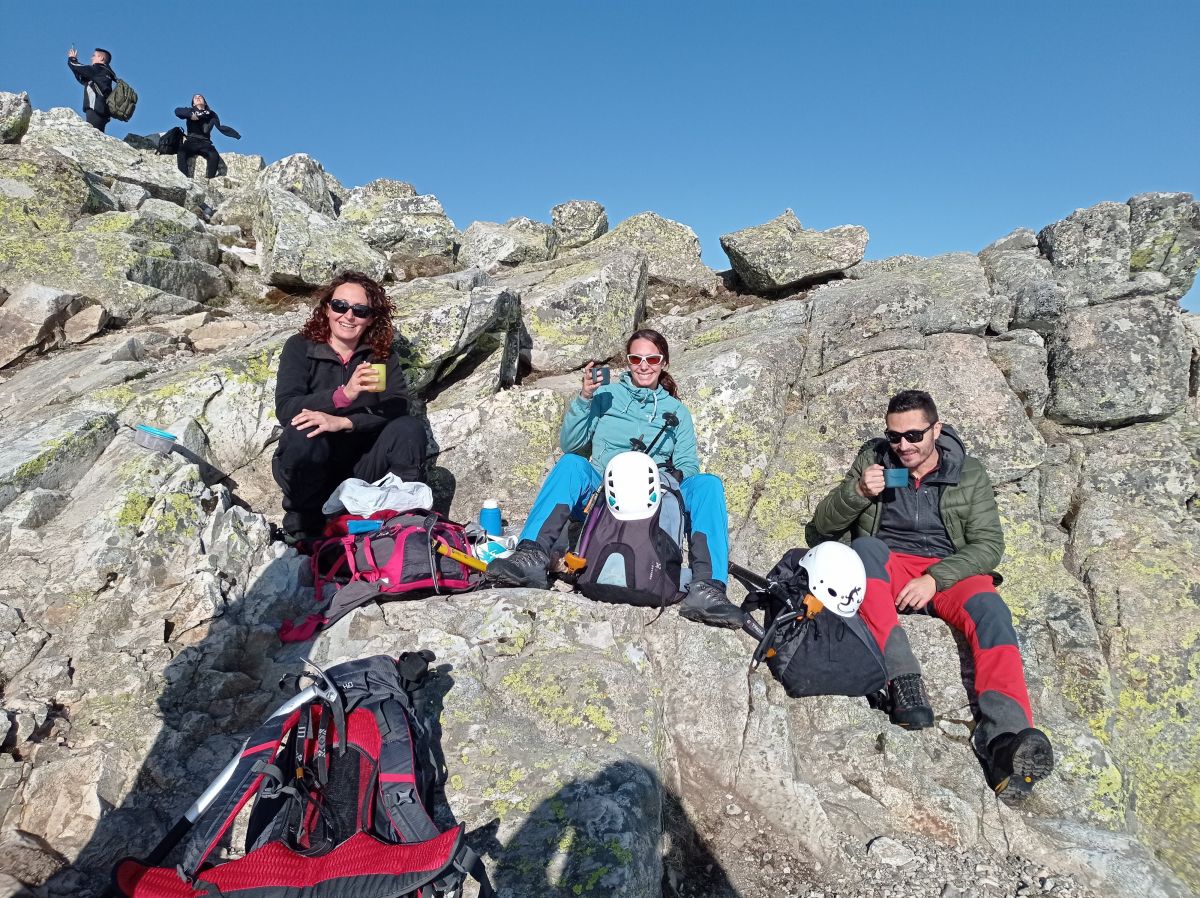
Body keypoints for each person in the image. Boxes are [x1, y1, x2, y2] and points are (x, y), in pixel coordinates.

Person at [808, 390, 1054, 802]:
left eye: (914, 435)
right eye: (894, 436)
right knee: (863, 551)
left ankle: (1005, 743)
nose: (903, 445)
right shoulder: (875, 460)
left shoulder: (967, 472)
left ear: (936, 430)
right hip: (889, 562)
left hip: (948, 570)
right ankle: (903, 682)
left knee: (992, 612)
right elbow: (824, 526)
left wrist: (935, 580)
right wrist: (858, 492)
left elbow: (988, 545)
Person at [486, 329, 745, 628]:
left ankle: (708, 589)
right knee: (571, 464)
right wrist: (585, 397)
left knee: (708, 485)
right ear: (628, 361)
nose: (644, 366)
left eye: (652, 359)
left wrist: (663, 478)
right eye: (636, 359)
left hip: (655, 491)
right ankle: (531, 555)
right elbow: (572, 444)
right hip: (602, 488)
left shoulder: (678, 412)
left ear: (664, 363)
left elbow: (688, 464)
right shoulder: (605, 396)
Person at [272, 271, 428, 540]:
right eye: (340, 306)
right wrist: (342, 396)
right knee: (303, 429)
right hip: (314, 465)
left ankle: (402, 518)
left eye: (360, 310)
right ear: (327, 308)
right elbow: (286, 408)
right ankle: (304, 529)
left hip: (364, 467)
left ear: (371, 318)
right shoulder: (301, 347)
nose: (348, 316)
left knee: (408, 428)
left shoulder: (379, 354)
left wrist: (345, 422)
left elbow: (397, 406)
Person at [174, 94, 241, 179]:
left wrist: (236, 135)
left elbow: (220, 127)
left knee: (214, 156)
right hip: (191, 141)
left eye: (200, 97)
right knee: (181, 153)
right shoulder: (190, 111)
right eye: (195, 98)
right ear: (193, 104)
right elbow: (177, 111)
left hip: (205, 143)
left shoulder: (211, 114)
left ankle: (209, 180)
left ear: (205, 103)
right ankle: (184, 179)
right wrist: (191, 115)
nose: (198, 98)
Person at [66, 46, 116, 132]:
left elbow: (77, 67)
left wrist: (72, 58)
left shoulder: (98, 69)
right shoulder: (106, 72)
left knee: (92, 133)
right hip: (103, 111)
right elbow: (82, 77)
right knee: (98, 134)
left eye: (94, 55)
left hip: (95, 108)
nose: (91, 58)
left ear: (101, 58)